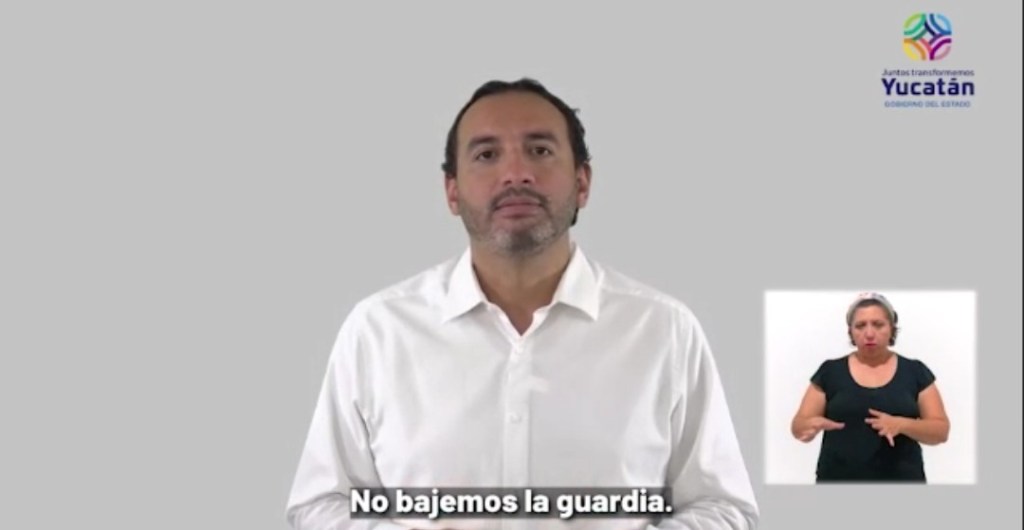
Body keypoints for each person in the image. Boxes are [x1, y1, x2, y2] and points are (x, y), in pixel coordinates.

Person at [285, 78, 759, 529]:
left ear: (583, 182)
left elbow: (723, 506)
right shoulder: (378, 330)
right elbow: (320, 503)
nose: (516, 174)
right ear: (452, 191)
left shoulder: (663, 330)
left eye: (540, 150)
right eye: (486, 154)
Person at [790, 292, 951, 483]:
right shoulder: (830, 371)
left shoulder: (915, 371)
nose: (869, 333)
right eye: (860, 326)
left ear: (891, 328)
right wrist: (808, 426)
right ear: (850, 331)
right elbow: (798, 426)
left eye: (878, 324)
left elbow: (941, 431)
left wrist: (902, 424)